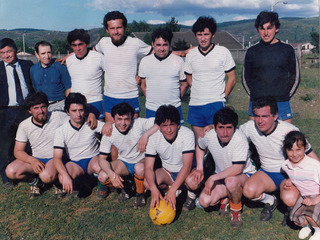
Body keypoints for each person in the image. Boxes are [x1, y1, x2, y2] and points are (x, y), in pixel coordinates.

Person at [240, 97, 319, 222]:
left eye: (265, 116)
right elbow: (233, 135)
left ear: (275, 116)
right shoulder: (250, 127)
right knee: (249, 191)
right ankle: (271, 201)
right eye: (257, 116)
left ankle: (290, 209)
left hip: (288, 175)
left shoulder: (289, 130)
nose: (260, 121)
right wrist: (212, 130)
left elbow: (309, 153)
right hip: (266, 172)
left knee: (290, 198)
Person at [185, 107, 256, 228]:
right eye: (221, 128)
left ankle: (235, 211)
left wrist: (212, 178)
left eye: (229, 128)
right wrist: (200, 168)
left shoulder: (240, 139)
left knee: (231, 181)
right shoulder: (209, 135)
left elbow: (237, 169)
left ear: (234, 127)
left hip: (245, 175)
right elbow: (200, 147)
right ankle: (227, 197)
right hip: (221, 176)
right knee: (204, 201)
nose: (224, 133)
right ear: (215, 126)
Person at [5, 92, 69, 198]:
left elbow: (77, 120)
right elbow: (18, 151)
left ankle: (58, 183)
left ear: (47, 106)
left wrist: (91, 116)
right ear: (29, 111)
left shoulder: (57, 116)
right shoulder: (24, 125)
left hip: (54, 157)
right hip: (37, 158)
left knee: (46, 176)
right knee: (11, 171)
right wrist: (32, 161)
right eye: (36, 108)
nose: (41, 111)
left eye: (43, 107)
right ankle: (36, 183)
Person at [184, 16, 236, 141]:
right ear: (195, 35)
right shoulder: (191, 54)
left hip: (216, 104)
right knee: (199, 141)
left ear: (213, 35)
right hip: (195, 104)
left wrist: (222, 97)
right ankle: (200, 162)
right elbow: (189, 78)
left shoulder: (222, 52)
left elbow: (232, 78)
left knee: (217, 141)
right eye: (199, 34)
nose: (203, 38)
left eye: (206, 34)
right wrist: (199, 90)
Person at [242, 11, 300, 123]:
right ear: (258, 30)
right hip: (257, 103)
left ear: (276, 28)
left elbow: (295, 76)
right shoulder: (251, 51)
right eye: (262, 28)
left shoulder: (287, 49)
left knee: (284, 139)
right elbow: (245, 78)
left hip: (281, 103)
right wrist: (256, 95)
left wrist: (285, 95)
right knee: (257, 140)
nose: (266, 32)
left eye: (269, 28)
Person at [95, 11, 152, 122]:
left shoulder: (135, 43)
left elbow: (158, 53)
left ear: (125, 28)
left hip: (130, 95)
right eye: (112, 28)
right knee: (110, 132)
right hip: (110, 95)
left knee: (133, 133)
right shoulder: (103, 43)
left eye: (119, 27)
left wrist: (182, 53)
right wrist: (70, 55)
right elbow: (89, 52)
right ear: (107, 30)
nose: (116, 32)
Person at [98, 102, 159, 207]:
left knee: (139, 168)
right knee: (103, 176)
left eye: (126, 119)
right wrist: (112, 174)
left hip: (142, 160)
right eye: (119, 119)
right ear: (113, 119)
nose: (123, 123)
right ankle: (127, 188)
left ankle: (140, 194)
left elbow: (160, 122)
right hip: (124, 162)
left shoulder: (138, 123)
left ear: (132, 118)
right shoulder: (109, 132)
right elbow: (102, 159)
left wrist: (146, 134)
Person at [144, 105, 195, 210]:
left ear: (178, 125)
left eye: (172, 125)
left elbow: (187, 166)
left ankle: (191, 196)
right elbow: (148, 167)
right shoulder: (153, 138)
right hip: (168, 172)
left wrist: (173, 190)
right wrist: (153, 189)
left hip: (187, 172)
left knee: (193, 182)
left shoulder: (187, 134)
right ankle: (171, 190)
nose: (168, 130)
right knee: (147, 182)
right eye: (164, 125)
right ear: (158, 127)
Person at [53, 93, 103, 195]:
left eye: (81, 110)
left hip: (93, 159)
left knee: (102, 169)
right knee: (62, 177)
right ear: (67, 112)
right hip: (76, 163)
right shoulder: (61, 130)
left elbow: (110, 128)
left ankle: (101, 186)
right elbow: (57, 158)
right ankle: (89, 180)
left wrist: (107, 126)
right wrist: (66, 176)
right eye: (74, 111)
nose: (78, 114)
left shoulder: (92, 123)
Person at [0, 38, 34, 187]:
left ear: (16, 50)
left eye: (9, 51)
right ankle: (5, 176)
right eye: (2, 53)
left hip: (25, 110)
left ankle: (28, 171)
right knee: (5, 144)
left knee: (27, 144)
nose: (6, 55)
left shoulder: (27, 65)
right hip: (6, 112)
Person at [138, 28, 188, 123]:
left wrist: (175, 100)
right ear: (152, 44)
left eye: (165, 45)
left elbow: (184, 85)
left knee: (176, 136)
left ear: (170, 44)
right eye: (158, 45)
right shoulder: (145, 61)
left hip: (174, 109)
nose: (161, 49)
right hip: (152, 109)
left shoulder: (178, 61)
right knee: (153, 137)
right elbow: (143, 85)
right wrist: (152, 100)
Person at [282, 131, 320, 240]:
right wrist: (290, 180)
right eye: (290, 150)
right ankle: (307, 226)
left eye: (298, 149)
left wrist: (315, 200)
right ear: (286, 150)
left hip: (317, 195)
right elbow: (295, 174)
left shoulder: (314, 166)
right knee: (294, 217)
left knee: (309, 214)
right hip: (304, 195)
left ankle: (318, 231)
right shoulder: (285, 165)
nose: (294, 154)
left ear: (305, 148)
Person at [66, 29, 105, 120]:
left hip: (95, 101)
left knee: (98, 132)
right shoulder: (69, 60)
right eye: (74, 45)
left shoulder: (98, 57)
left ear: (87, 44)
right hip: (77, 104)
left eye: (80, 44)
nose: (77, 48)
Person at [30, 41, 71, 111]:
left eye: (49, 52)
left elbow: (69, 88)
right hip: (42, 107)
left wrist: (68, 106)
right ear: (37, 54)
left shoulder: (60, 67)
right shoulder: (33, 69)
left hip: (59, 105)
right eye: (43, 53)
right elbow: (35, 88)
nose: (47, 56)